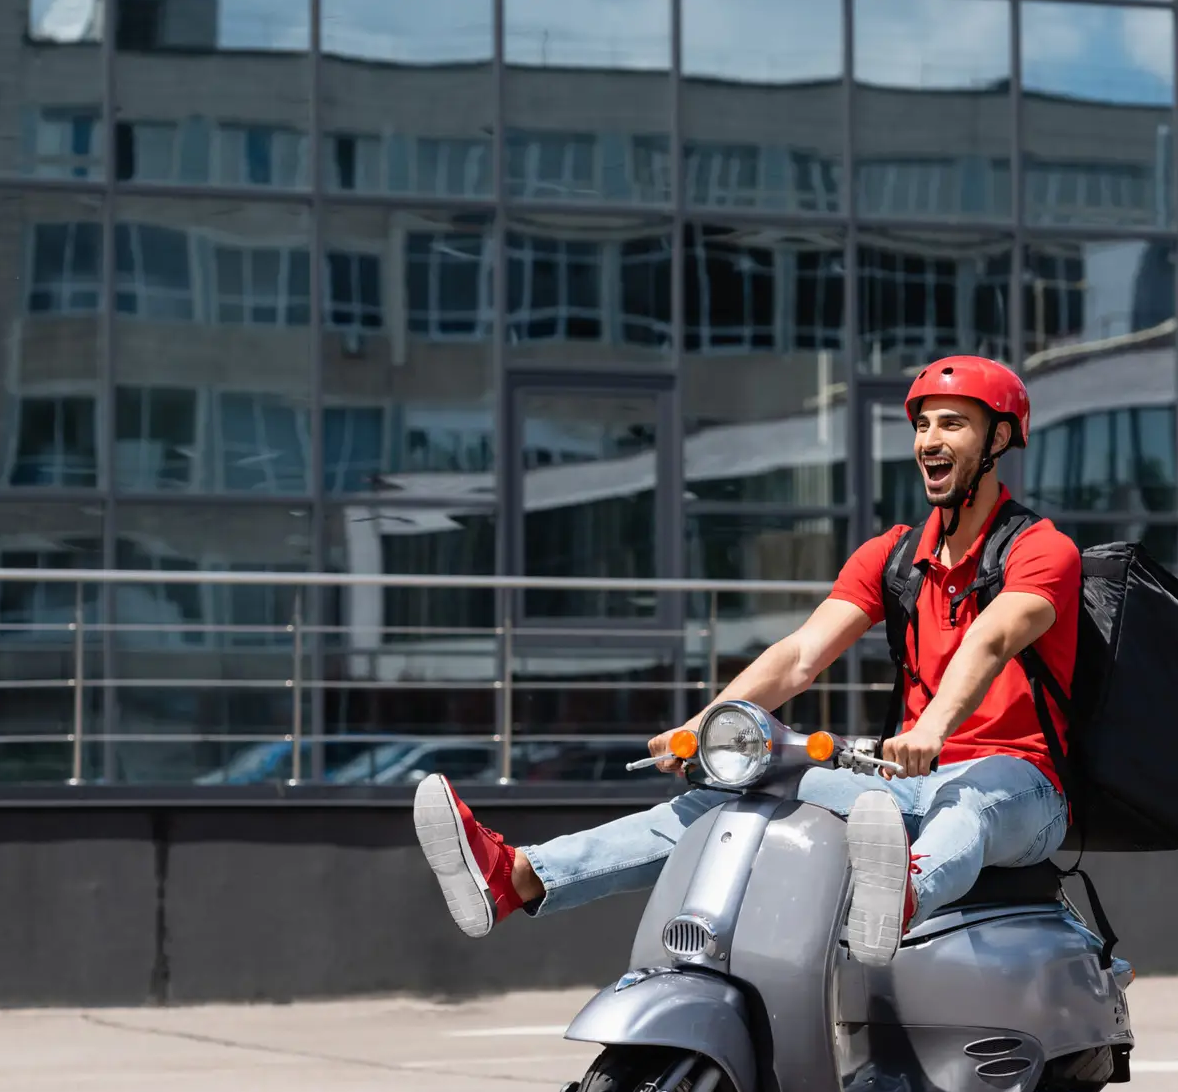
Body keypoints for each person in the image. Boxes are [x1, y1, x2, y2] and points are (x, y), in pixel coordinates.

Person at [412, 356, 1081, 966]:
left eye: (954, 425)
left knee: (970, 798)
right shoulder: (894, 556)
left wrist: (932, 730)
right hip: (901, 783)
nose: (930, 440)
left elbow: (991, 639)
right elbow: (800, 656)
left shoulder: (1042, 550)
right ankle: (518, 875)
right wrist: (706, 726)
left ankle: (900, 896)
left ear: (998, 441)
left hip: (1024, 788)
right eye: (923, 425)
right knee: (731, 790)